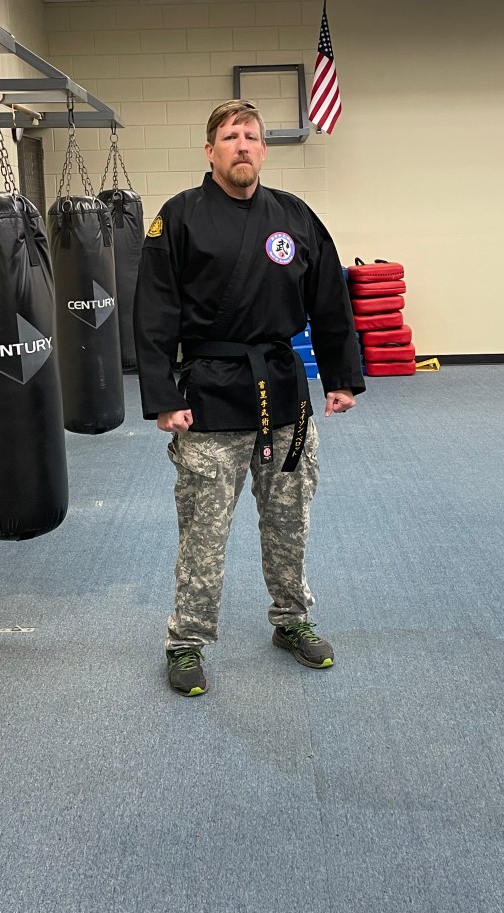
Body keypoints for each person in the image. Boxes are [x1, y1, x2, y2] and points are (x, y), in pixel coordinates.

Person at [134, 99, 365, 696]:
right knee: (204, 532)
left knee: (289, 521)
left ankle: (291, 621)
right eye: (230, 136)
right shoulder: (179, 217)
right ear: (210, 150)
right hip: (209, 397)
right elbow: (154, 312)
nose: (242, 145)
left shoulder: (294, 216)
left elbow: (330, 302)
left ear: (264, 149)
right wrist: (163, 396)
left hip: (284, 394)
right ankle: (186, 641)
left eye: (252, 136)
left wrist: (340, 377)